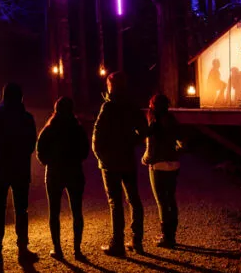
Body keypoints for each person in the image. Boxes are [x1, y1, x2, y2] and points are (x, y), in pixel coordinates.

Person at [0, 82, 39, 264]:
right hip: (20, 168)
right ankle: (23, 249)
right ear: (21, 98)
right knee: (21, 209)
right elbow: (32, 144)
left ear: (3, 96)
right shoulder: (27, 118)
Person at [92, 71, 146, 257]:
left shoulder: (108, 108)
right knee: (133, 199)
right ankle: (137, 241)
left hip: (110, 162)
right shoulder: (132, 107)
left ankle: (118, 244)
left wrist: (100, 157)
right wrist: (133, 141)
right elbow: (144, 130)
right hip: (127, 159)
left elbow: (97, 137)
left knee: (115, 202)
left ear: (110, 86)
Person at [36, 96, 89, 261]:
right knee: (77, 211)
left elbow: (40, 151)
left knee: (54, 212)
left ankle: (57, 249)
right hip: (74, 171)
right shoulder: (77, 129)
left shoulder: (49, 129)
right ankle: (77, 250)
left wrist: (49, 162)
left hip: (54, 172)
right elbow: (85, 150)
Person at [142, 94, 182, 248]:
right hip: (174, 163)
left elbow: (151, 147)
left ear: (152, 105)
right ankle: (172, 235)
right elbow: (181, 141)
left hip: (158, 165)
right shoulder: (172, 120)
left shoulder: (154, 122)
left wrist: (145, 160)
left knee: (162, 202)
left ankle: (166, 237)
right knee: (171, 198)